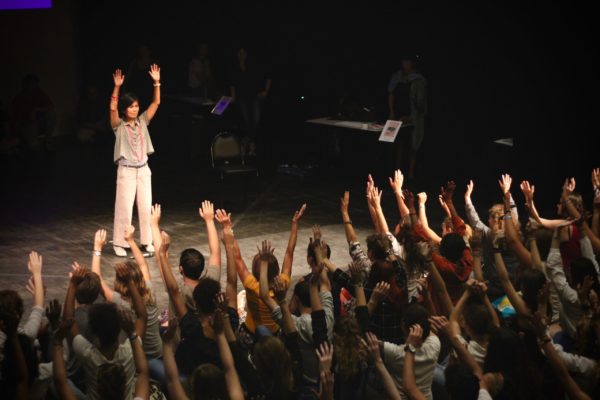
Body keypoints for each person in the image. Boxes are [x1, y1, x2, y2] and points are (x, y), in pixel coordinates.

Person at [110, 65, 161, 257]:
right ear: (125, 109)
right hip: (127, 170)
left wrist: (156, 82)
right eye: (131, 106)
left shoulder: (143, 121)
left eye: (136, 105)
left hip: (143, 169)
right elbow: (112, 108)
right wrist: (116, 87)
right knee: (124, 207)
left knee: (146, 205)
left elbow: (156, 102)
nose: (135, 109)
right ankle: (120, 243)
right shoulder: (118, 126)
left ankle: (147, 242)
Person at [387, 54, 427, 179]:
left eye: (408, 62)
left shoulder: (418, 80)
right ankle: (397, 172)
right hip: (398, 115)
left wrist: (412, 116)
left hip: (412, 116)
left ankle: (410, 173)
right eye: (404, 61)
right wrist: (392, 112)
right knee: (398, 144)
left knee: (412, 145)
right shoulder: (397, 77)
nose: (406, 64)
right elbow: (391, 93)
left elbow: (420, 102)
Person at [230, 46, 272, 156]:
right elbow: (232, 83)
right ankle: (251, 147)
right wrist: (233, 96)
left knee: (256, 120)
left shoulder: (253, 65)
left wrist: (266, 91)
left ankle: (245, 142)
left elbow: (268, 75)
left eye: (243, 52)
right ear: (237, 54)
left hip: (254, 96)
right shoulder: (234, 67)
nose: (241, 55)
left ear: (246, 54)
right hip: (241, 97)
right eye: (239, 52)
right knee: (247, 120)